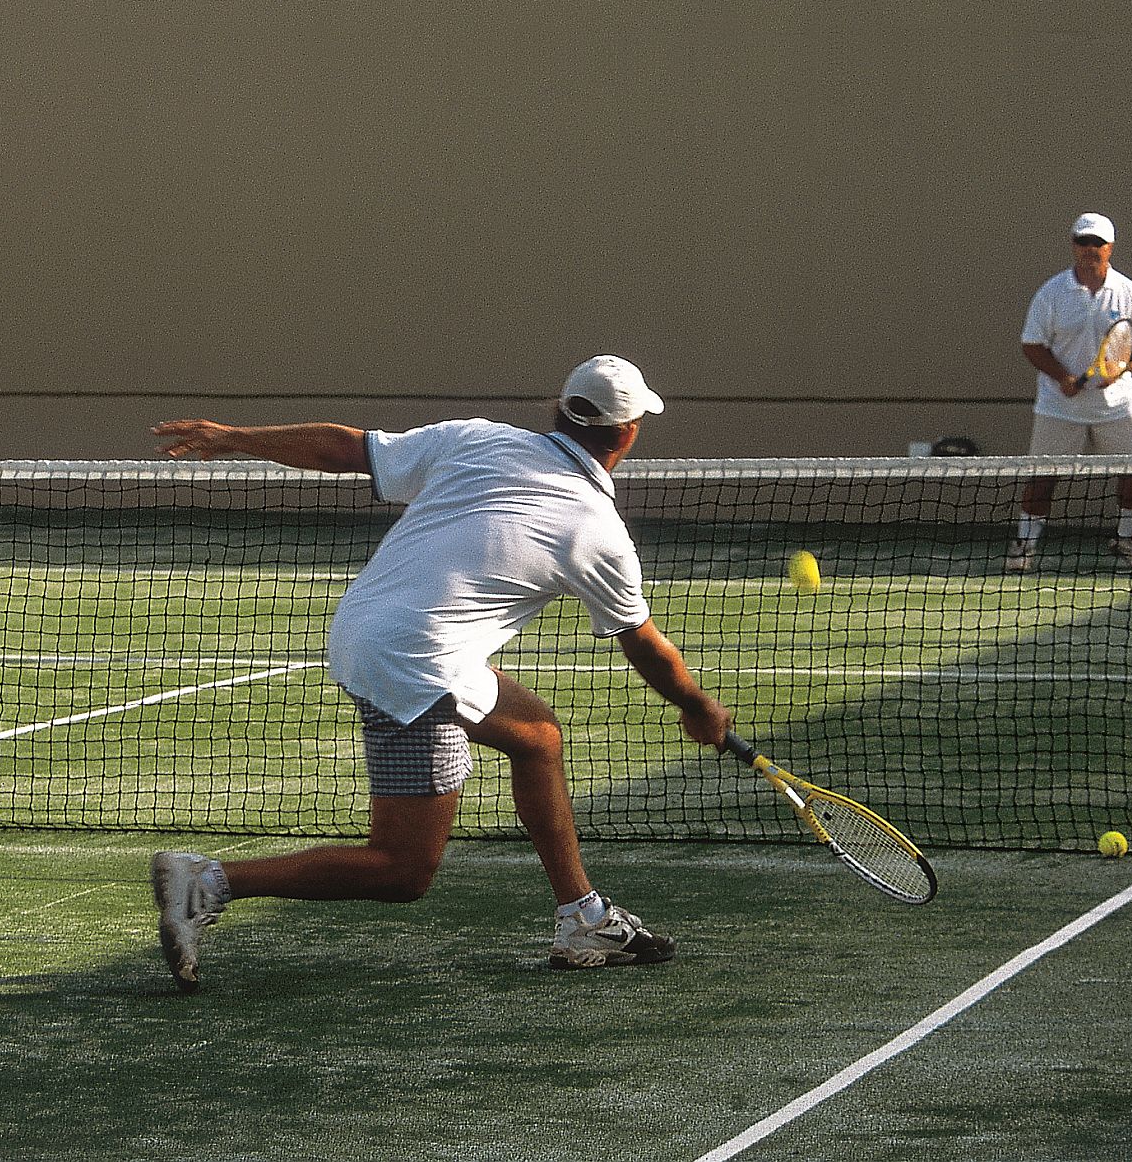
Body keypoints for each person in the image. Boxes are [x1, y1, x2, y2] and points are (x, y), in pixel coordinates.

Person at [146, 355, 734, 992]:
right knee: (402, 871)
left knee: (537, 736)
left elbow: (347, 446)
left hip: (365, 629)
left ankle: (583, 918)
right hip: (415, 660)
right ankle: (206, 882)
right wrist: (696, 706)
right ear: (627, 432)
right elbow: (643, 643)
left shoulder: (474, 437)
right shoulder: (597, 532)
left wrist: (235, 439)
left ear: (560, 409)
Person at [1005, 212, 1132, 572]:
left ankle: (1127, 540)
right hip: (1058, 406)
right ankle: (1024, 545)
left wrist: (1119, 369)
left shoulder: (1127, 293)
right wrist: (1062, 377)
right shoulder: (1052, 293)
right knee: (1043, 477)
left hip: (1117, 404)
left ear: (1110, 248)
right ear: (1073, 246)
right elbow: (1032, 344)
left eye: (1097, 243)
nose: (1090, 249)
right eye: (1083, 242)